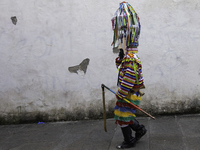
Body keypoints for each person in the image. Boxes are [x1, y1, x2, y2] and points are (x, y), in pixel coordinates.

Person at [111, 2, 147, 149]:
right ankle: (139, 129)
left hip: (129, 93)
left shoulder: (131, 58)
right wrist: (119, 59)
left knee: (123, 115)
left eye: (122, 40)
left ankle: (129, 141)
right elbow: (122, 70)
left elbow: (129, 77)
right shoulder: (128, 57)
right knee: (125, 113)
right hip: (130, 92)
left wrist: (121, 93)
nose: (120, 43)